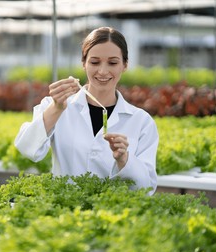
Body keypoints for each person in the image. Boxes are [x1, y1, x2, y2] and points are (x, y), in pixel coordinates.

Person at [14, 27, 159, 194]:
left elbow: (146, 188)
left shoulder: (141, 122)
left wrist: (124, 160)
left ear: (125, 65)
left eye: (112, 63)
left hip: (112, 216)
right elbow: (26, 148)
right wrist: (56, 108)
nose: (103, 71)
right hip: (64, 212)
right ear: (84, 63)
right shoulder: (56, 106)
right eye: (95, 62)